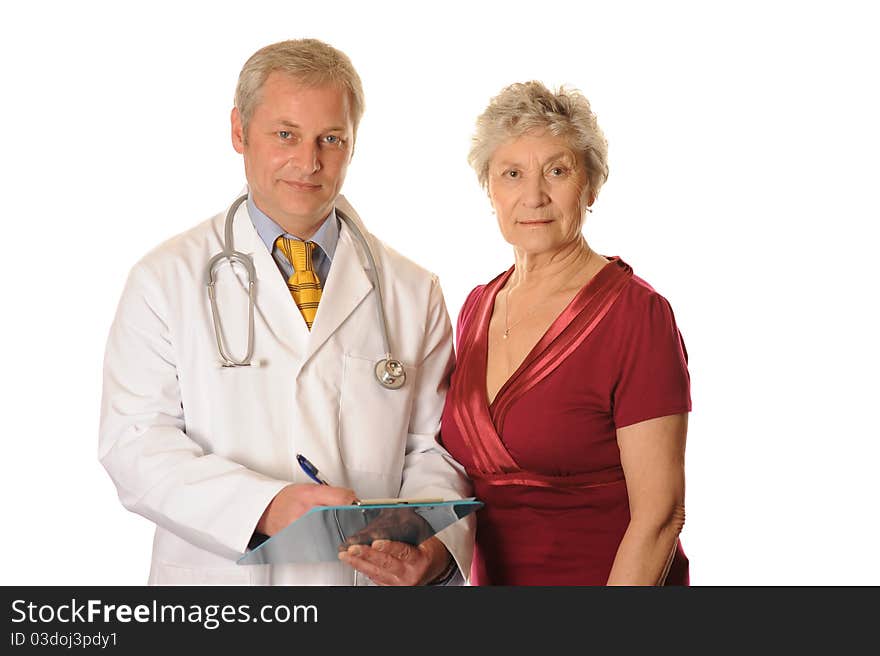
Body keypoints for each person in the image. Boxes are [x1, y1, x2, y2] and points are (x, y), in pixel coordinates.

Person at [99, 39, 473, 586]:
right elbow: (134, 444)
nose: (308, 161)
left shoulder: (412, 290)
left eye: (331, 139)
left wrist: (427, 538)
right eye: (285, 135)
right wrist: (265, 507)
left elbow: (434, 448)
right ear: (238, 131)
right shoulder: (165, 279)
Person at [439, 81, 691, 585]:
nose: (534, 195)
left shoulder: (637, 315)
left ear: (591, 186)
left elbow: (661, 516)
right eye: (512, 174)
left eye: (557, 171)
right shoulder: (475, 308)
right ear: (490, 188)